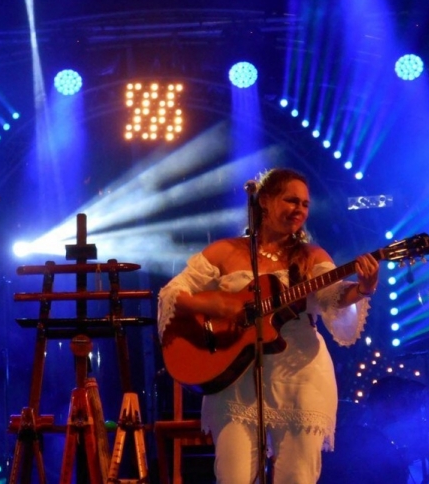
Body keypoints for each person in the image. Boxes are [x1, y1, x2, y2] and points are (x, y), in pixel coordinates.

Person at [157, 167, 379, 484]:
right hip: (236, 378)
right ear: (264, 201)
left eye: (305, 204)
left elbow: (333, 297)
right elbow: (172, 294)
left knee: (297, 477)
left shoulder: (312, 256)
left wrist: (364, 288)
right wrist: (217, 305)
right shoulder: (226, 251)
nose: (299, 209)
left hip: (301, 377)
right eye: (291, 200)